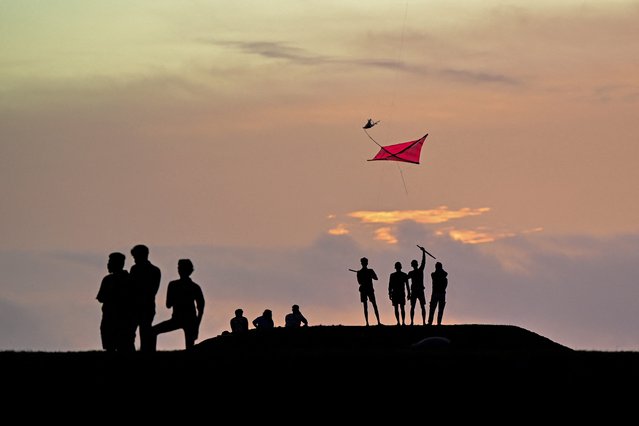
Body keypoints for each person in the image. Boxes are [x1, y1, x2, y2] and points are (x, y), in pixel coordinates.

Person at [150, 259, 205, 350]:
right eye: (179, 268)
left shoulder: (174, 285)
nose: (179, 270)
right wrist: (197, 325)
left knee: (152, 331)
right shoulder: (193, 287)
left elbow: (168, 304)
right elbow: (201, 309)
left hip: (184, 319)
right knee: (190, 346)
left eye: (180, 268)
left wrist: (196, 326)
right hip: (184, 319)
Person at [96, 252, 136, 352]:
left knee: (123, 346)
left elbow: (101, 298)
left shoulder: (112, 279)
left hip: (121, 318)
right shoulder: (127, 278)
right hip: (111, 317)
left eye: (110, 262)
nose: (108, 264)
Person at [129, 244, 162, 352]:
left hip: (144, 306)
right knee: (132, 333)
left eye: (135, 257)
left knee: (143, 332)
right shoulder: (154, 270)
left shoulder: (153, 271)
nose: (134, 260)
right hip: (140, 306)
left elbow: (152, 290)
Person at [355, 257, 382, 326]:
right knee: (367, 306)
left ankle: (376, 322)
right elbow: (360, 282)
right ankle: (368, 323)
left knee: (372, 305)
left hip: (369, 289)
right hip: (365, 289)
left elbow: (376, 278)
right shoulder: (361, 272)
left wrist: (369, 275)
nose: (364, 263)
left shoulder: (369, 271)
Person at [407, 245, 427, 325]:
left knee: (415, 307)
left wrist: (423, 252)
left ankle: (413, 322)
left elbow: (423, 262)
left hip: (416, 291)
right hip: (417, 291)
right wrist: (423, 252)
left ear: (412, 265)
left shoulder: (413, 272)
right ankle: (422, 322)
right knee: (419, 306)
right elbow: (423, 261)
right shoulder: (419, 271)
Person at [388, 261, 410, 326]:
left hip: (397, 293)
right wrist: (409, 293)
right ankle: (401, 322)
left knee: (398, 308)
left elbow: (390, 286)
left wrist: (389, 293)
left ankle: (400, 322)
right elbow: (407, 285)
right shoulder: (403, 275)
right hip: (399, 293)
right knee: (400, 308)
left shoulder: (393, 275)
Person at [428, 261, 448, 325]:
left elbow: (445, 273)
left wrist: (439, 269)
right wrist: (440, 269)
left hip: (438, 294)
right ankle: (432, 322)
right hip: (439, 293)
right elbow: (445, 273)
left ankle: (437, 322)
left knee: (437, 309)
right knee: (434, 309)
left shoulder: (435, 275)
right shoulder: (434, 275)